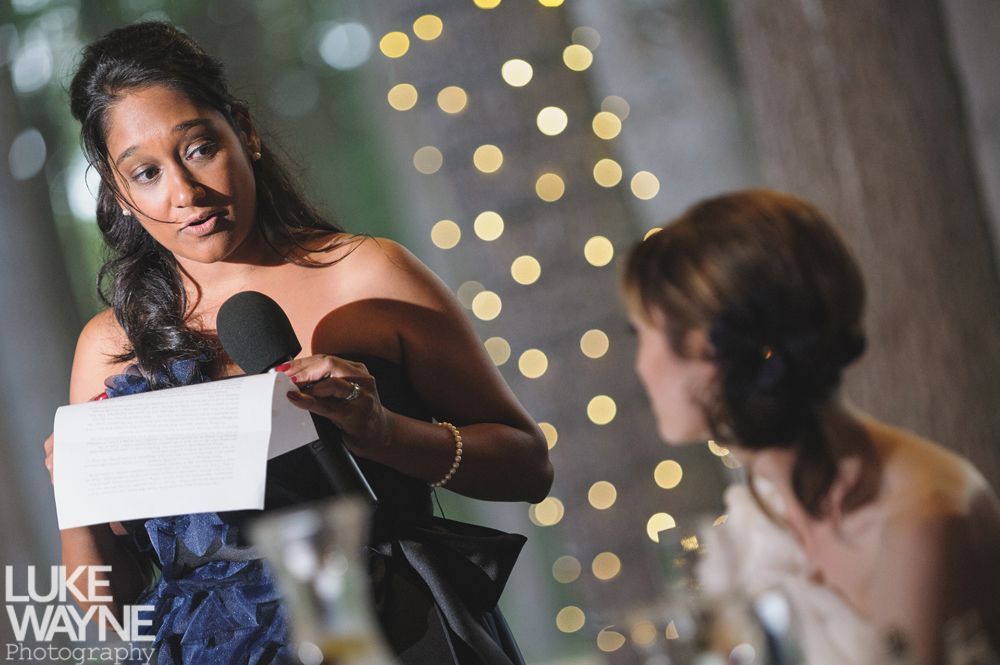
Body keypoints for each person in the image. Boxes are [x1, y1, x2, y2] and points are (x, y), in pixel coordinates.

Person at [43, 20, 552, 665]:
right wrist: (78, 499)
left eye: (199, 148)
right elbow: (107, 606)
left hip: (395, 636)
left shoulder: (368, 275)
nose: (184, 193)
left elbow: (529, 466)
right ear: (118, 193)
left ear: (244, 131)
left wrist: (386, 433)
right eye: (145, 173)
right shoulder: (111, 349)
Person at [621, 190, 1000, 664]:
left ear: (705, 350)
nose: (638, 367)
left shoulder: (920, 520)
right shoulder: (764, 511)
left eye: (639, 333)